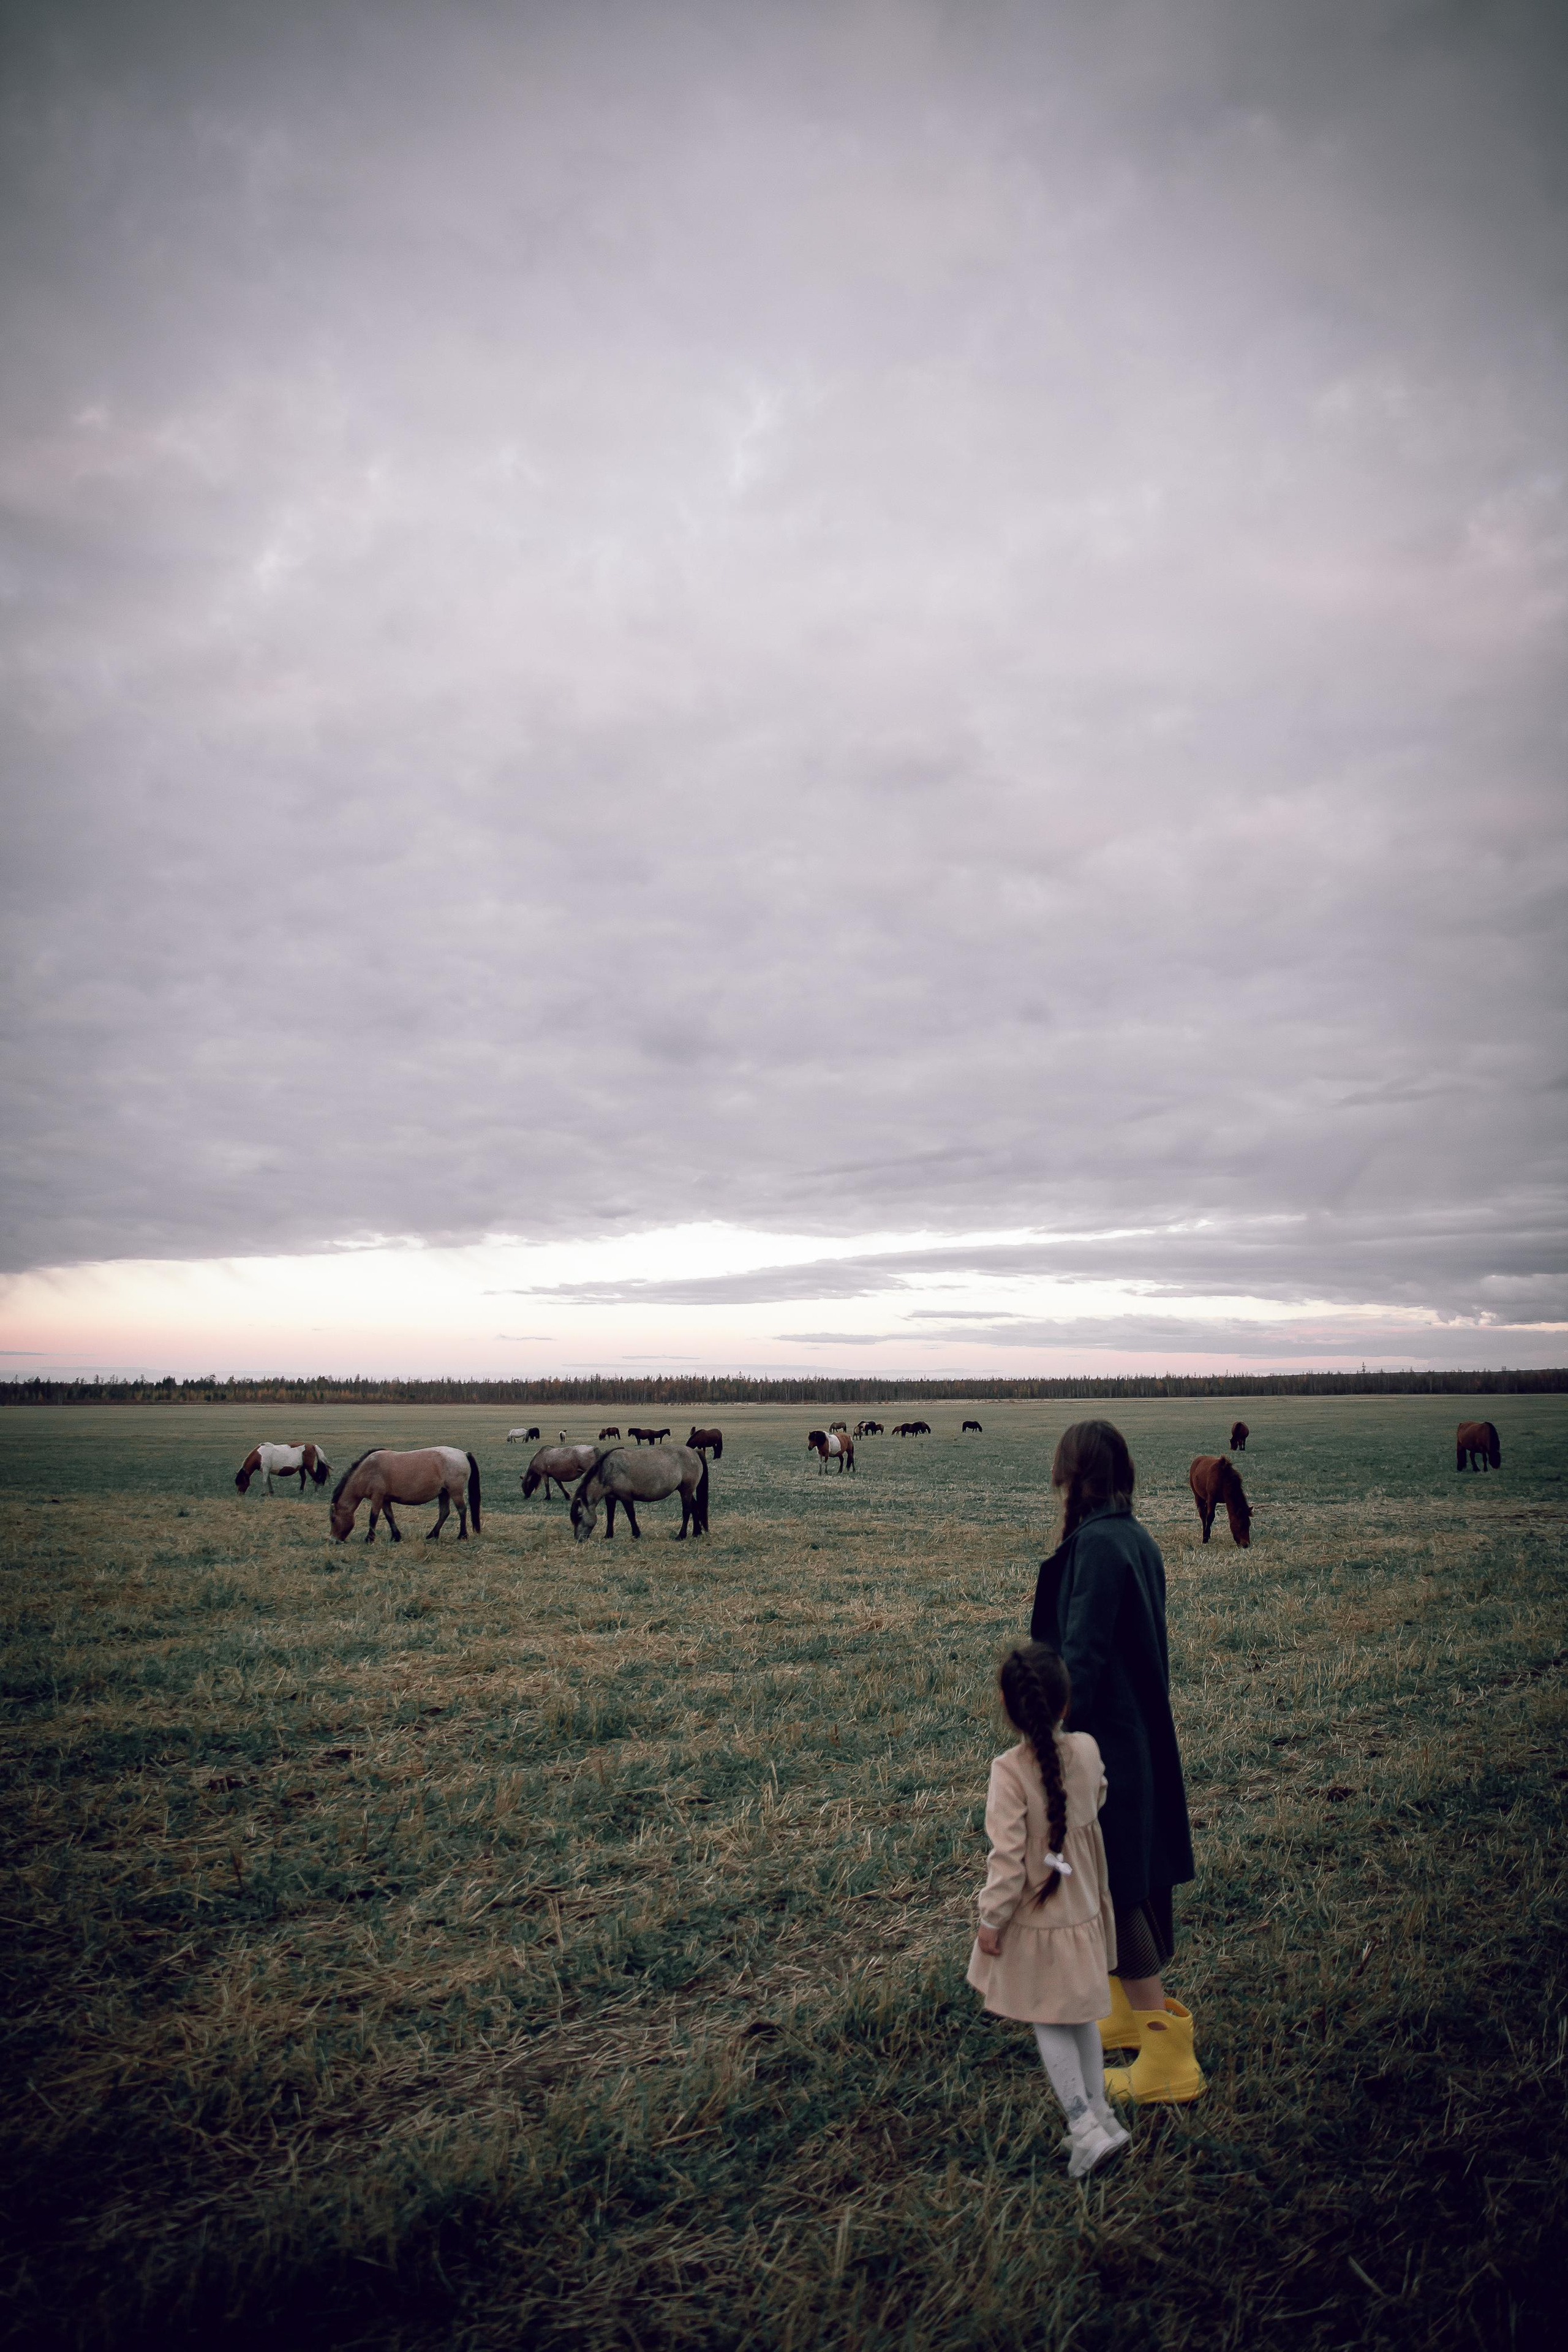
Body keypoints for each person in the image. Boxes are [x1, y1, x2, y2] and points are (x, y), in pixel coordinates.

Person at [1031, 1419, 1204, 2103]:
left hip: (1106, 1744)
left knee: (1117, 1885)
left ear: (1070, 1474)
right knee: (1115, 1876)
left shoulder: (1100, 1547)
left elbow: (1083, 1659)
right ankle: (1127, 2012)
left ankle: (1168, 2060)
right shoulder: (1130, 1536)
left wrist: (1048, 1737)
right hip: (1135, 1735)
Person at [967, 1642, 1131, 2179]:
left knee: (1048, 2018)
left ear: (1005, 1705)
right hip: (1083, 1909)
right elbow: (1099, 1796)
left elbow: (1008, 1860)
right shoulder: (1085, 1748)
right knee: (1080, 2014)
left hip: (1041, 1924)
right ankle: (1105, 2117)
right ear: (1065, 1705)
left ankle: (1083, 2126)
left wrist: (992, 1920)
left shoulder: (1009, 1772)